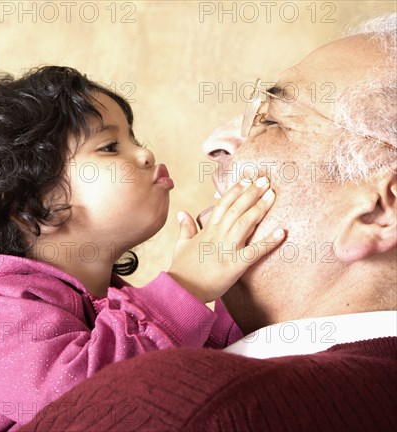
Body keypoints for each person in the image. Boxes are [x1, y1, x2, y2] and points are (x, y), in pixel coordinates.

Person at [20, 14, 397, 431]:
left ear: (380, 210)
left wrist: (184, 290)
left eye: (272, 120)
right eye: (110, 147)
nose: (214, 142)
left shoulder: (187, 408)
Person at [0, 66, 286, 430]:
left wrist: (232, 289)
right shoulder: (0, 308)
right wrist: (187, 287)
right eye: (110, 147)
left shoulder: (122, 309)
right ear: (31, 207)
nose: (145, 155)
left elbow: (199, 378)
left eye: (134, 139)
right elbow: (91, 404)